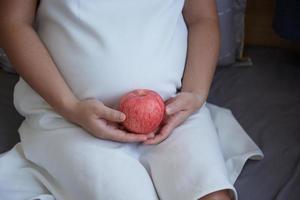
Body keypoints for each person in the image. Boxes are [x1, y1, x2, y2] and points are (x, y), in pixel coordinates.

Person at [0, 0, 263, 199]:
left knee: (211, 194)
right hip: (70, 120)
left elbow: (202, 19)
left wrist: (195, 94)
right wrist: (70, 107)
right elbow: (13, 22)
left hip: (172, 114)